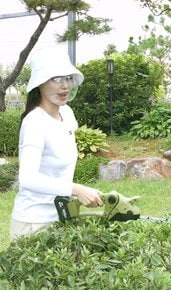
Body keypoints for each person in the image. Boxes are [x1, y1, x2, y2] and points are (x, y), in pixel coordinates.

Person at [10, 46, 104, 241]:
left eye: (68, 78)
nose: (65, 86)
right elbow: (27, 178)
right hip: (33, 224)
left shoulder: (67, 114)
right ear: (40, 83)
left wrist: (79, 194)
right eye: (56, 78)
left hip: (61, 217)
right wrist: (76, 189)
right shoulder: (34, 123)